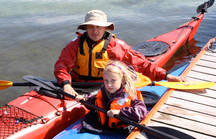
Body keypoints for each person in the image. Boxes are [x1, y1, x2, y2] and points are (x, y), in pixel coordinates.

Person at [54, 9, 185, 97]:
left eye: (98, 27)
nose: (95, 31)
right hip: (78, 84)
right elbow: (61, 66)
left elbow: (140, 64)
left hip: (105, 85)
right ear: (86, 28)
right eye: (91, 27)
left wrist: (165, 76)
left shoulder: (114, 45)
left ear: (105, 28)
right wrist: (66, 84)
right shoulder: (75, 45)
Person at [76, 60, 147, 132]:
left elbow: (141, 112)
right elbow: (93, 102)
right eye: (106, 81)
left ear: (122, 80)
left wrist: (119, 112)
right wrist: (84, 100)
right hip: (106, 127)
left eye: (113, 80)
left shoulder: (131, 94)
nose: (109, 85)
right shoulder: (104, 92)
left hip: (123, 129)